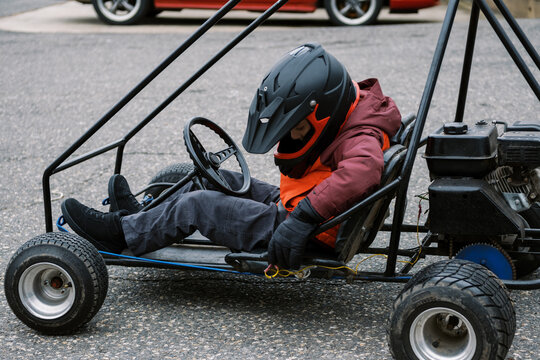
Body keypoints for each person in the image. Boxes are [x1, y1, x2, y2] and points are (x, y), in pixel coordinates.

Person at [61, 43, 402, 270]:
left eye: (296, 129)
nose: (290, 137)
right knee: (223, 179)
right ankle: (141, 218)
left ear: (325, 110)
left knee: (199, 205)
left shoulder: (361, 136)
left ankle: (120, 234)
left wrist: (304, 218)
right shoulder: (356, 107)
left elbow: (364, 170)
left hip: (307, 227)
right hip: (305, 205)